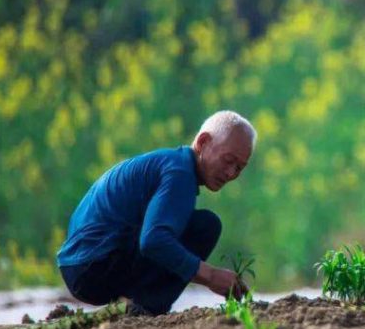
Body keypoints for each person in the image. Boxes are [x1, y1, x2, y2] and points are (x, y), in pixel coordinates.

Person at [57, 111, 257, 315]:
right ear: (203, 142)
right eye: (228, 160)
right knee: (206, 226)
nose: (231, 173)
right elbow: (153, 240)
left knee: (194, 224)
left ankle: (136, 304)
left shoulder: (172, 165)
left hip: (80, 266)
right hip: (91, 267)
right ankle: (145, 309)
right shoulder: (179, 173)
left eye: (239, 167)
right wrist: (211, 275)